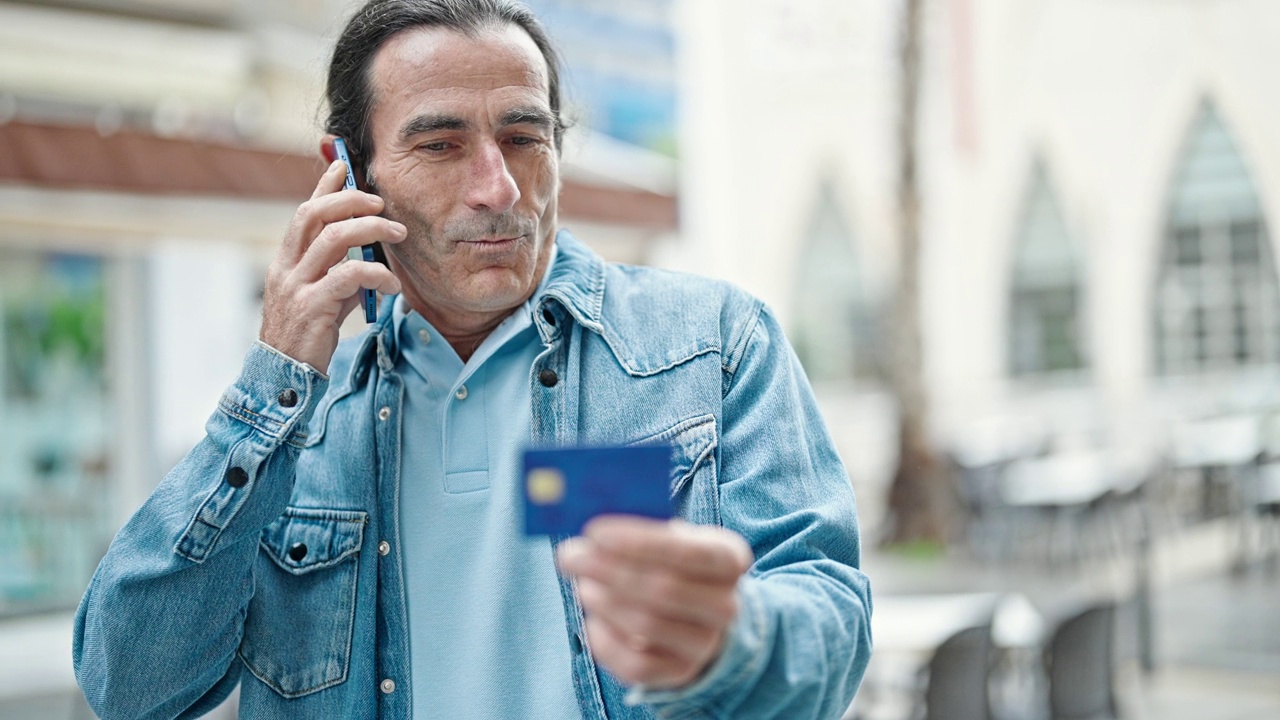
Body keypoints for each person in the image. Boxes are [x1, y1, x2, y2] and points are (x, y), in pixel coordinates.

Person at [72, 1, 872, 718]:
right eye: (441, 144)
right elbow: (130, 686)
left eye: (524, 138)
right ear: (348, 174)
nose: (498, 188)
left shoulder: (714, 346)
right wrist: (275, 378)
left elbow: (832, 620)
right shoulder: (300, 431)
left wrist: (739, 641)